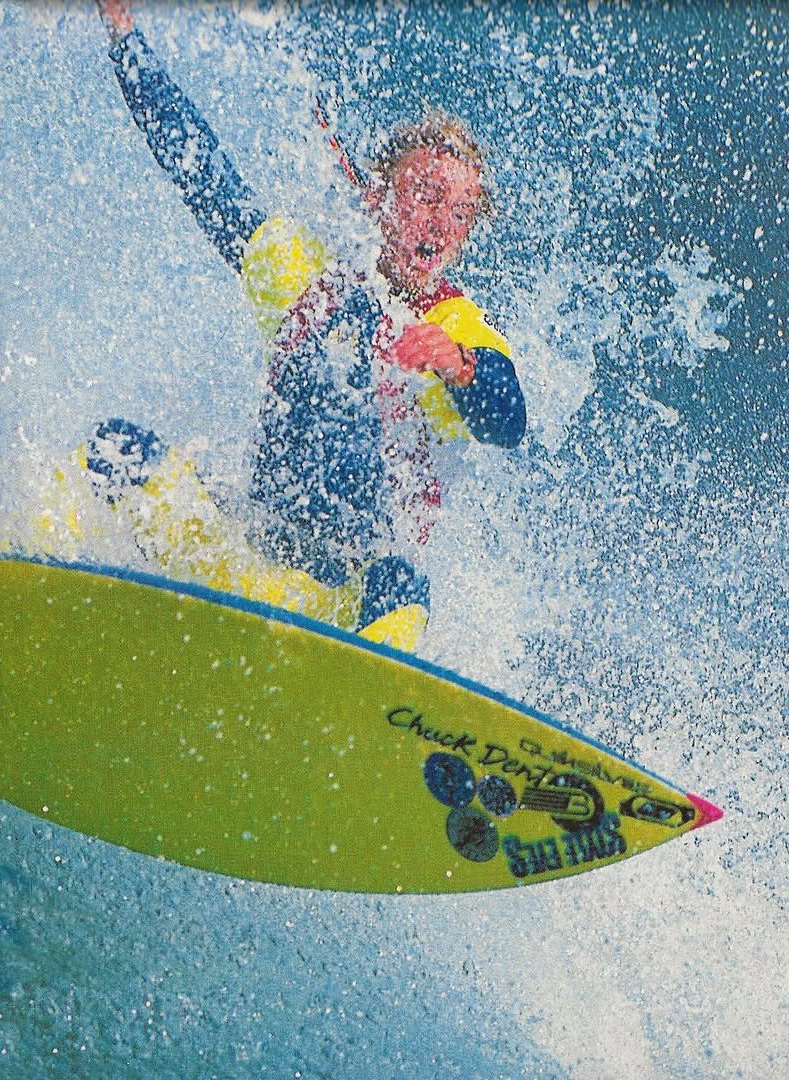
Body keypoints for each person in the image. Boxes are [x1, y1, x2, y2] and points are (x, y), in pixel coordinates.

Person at [80, 0, 525, 651]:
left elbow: (508, 420)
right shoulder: (303, 274)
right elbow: (202, 173)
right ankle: (17, 598)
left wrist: (459, 366)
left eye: (460, 213)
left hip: (342, 617)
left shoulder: (460, 329)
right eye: (426, 196)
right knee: (113, 449)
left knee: (402, 582)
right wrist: (126, 40)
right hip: (231, 565)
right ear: (378, 195)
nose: (439, 225)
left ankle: (376, 703)